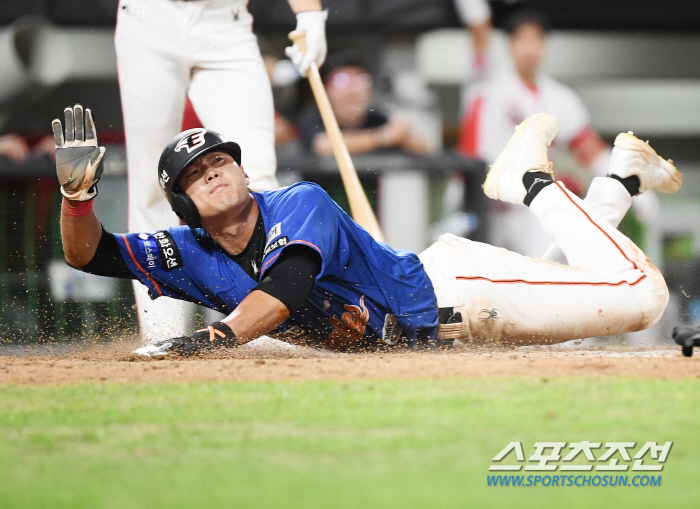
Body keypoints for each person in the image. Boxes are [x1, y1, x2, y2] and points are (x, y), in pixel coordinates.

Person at [53, 105, 681, 356]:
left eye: (221, 161)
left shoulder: (297, 202)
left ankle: (529, 182)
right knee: (584, 284)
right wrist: (77, 199)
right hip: (443, 341)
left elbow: (290, 286)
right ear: (182, 203)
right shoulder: (185, 250)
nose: (214, 174)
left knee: (641, 298)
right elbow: (92, 257)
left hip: (457, 293)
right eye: (196, 173)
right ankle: (620, 180)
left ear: (244, 170)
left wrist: (216, 337)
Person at [114, 0, 328, 342]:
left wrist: (309, 13)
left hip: (224, 21)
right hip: (148, 17)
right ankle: (161, 337)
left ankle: (269, 329)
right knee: (152, 186)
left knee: (255, 176)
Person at [456, 10, 656, 260]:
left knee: (542, 273)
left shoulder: (560, 99)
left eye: (536, 39)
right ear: (509, 43)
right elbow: (479, 32)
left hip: (527, 209)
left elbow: (588, 148)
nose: (529, 47)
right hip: (476, 201)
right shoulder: (486, 82)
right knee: (467, 281)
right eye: (522, 39)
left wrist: (630, 182)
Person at [298, 53, 429, 156]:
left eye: (360, 81)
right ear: (326, 89)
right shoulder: (313, 118)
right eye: (341, 81)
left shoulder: (376, 119)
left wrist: (403, 134)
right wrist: (382, 137)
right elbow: (323, 145)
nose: (352, 91)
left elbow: (423, 146)